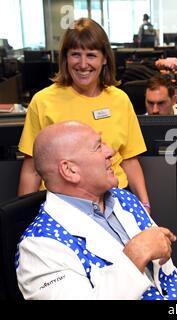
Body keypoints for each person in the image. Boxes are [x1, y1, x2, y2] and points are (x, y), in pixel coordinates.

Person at [15, 121, 177, 300]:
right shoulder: (40, 246)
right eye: (98, 147)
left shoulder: (124, 199)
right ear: (70, 170)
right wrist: (135, 256)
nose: (110, 151)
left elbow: (169, 275)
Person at [17, 18, 152, 211]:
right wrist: (24, 218)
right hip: (63, 206)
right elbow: (32, 169)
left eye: (91, 55)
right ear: (65, 58)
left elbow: (130, 161)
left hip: (115, 203)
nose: (82, 64)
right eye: (75, 55)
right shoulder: (43, 101)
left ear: (104, 58)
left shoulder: (119, 100)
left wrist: (144, 205)